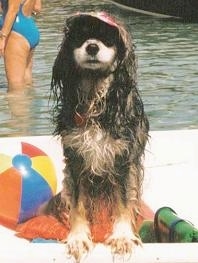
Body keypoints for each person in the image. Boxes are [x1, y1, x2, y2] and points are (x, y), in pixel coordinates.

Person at [0, 0, 41, 92]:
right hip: (29, 26)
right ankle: (30, 105)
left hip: (15, 32)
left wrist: (2, 38)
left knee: (15, 86)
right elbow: (37, 8)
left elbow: (13, 10)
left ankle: (18, 105)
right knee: (26, 79)